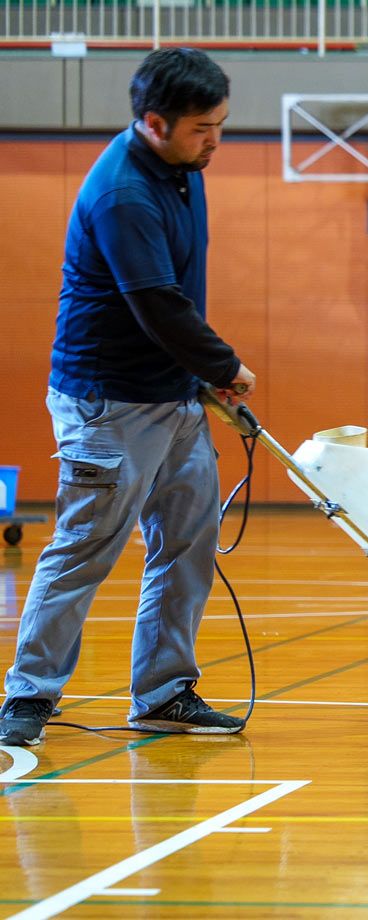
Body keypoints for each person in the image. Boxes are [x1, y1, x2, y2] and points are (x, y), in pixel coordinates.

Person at [0, 48, 255, 746]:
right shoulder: (123, 193)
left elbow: (176, 295)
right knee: (84, 548)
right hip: (107, 405)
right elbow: (155, 303)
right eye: (204, 128)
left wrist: (198, 378)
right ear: (153, 123)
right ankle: (29, 693)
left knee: (189, 545)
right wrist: (226, 365)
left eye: (221, 124)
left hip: (172, 398)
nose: (216, 140)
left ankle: (165, 690)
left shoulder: (181, 171)